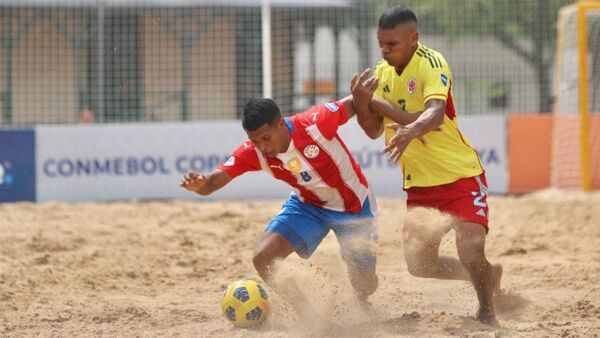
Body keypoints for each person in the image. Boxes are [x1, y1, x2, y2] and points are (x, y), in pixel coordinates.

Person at [350, 5, 503, 325]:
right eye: (381, 43)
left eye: (391, 44)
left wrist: (408, 129)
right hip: (420, 185)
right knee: (420, 265)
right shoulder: (382, 74)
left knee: (471, 248)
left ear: (413, 38)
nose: (384, 50)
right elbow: (373, 129)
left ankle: (487, 312)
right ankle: (487, 275)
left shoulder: (432, 62)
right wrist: (364, 104)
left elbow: (434, 114)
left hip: (460, 175)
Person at [180, 97, 378, 303]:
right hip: (308, 205)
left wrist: (405, 122)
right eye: (255, 140)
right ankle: (307, 314)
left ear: (281, 124)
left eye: (266, 138)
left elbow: (358, 101)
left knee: (365, 284)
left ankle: (362, 301)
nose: (262, 147)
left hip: (353, 206)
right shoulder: (254, 152)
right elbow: (211, 183)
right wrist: (200, 185)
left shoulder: (314, 123)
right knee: (263, 258)